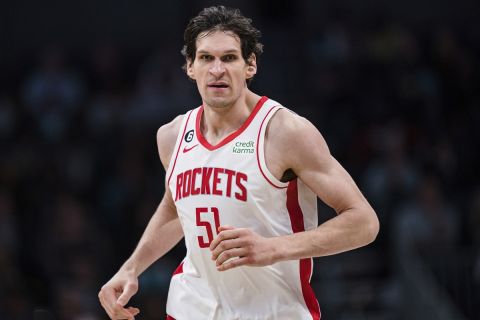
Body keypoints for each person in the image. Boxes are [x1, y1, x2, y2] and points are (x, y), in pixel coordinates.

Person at [98, 6, 379, 320]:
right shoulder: (172, 135)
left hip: (272, 311)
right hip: (192, 308)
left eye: (229, 58)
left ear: (250, 66)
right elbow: (177, 207)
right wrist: (131, 267)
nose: (217, 69)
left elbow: (364, 222)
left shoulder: (285, 132)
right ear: (190, 67)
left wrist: (273, 248)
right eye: (206, 58)